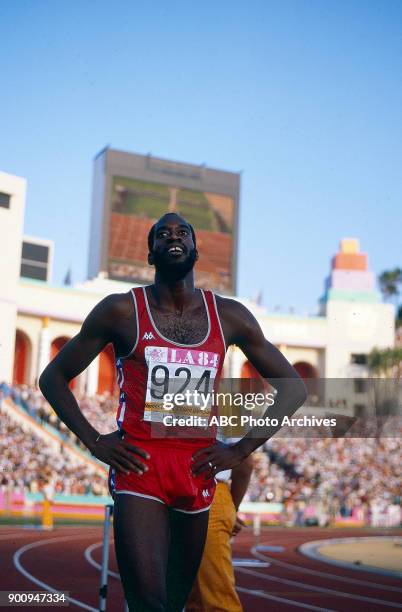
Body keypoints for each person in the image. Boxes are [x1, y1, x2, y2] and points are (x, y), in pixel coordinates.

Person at [39, 212, 306, 611]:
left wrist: (239, 450)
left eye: (183, 232)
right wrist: (93, 441)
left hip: (197, 470)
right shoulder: (121, 311)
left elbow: (294, 387)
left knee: (175, 602)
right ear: (151, 254)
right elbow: (53, 377)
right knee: (149, 602)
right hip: (140, 468)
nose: (173, 236)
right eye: (162, 234)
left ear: (196, 251)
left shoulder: (229, 316)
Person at [186, 450, 254, 612]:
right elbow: (244, 464)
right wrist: (232, 508)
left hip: (177, 490)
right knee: (205, 595)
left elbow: (244, 461)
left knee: (204, 595)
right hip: (206, 489)